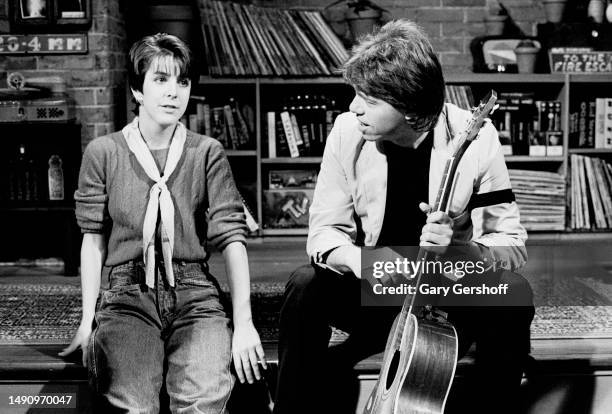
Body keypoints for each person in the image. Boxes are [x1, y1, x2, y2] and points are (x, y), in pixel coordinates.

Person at [274, 20, 534, 414]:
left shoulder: (476, 137)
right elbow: (324, 234)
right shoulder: (347, 132)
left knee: (515, 297)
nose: (353, 107)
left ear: (410, 108)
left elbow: (511, 244)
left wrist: (463, 251)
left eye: (370, 99)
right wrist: (361, 261)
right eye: (355, 94)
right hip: (374, 291)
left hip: (447, 298)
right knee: (304, 285)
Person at [60, 33, 266, 413]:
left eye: (182, 81)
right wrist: (87, 319)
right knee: (134, 405)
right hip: (127, 294)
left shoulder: (207, 152)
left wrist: (245, 323)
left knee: (203, 401)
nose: (174, 92)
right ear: (137, 90)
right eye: (161, 79)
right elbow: (93, 240)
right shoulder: (103, 153)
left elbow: (231, 239)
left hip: (195, 293)